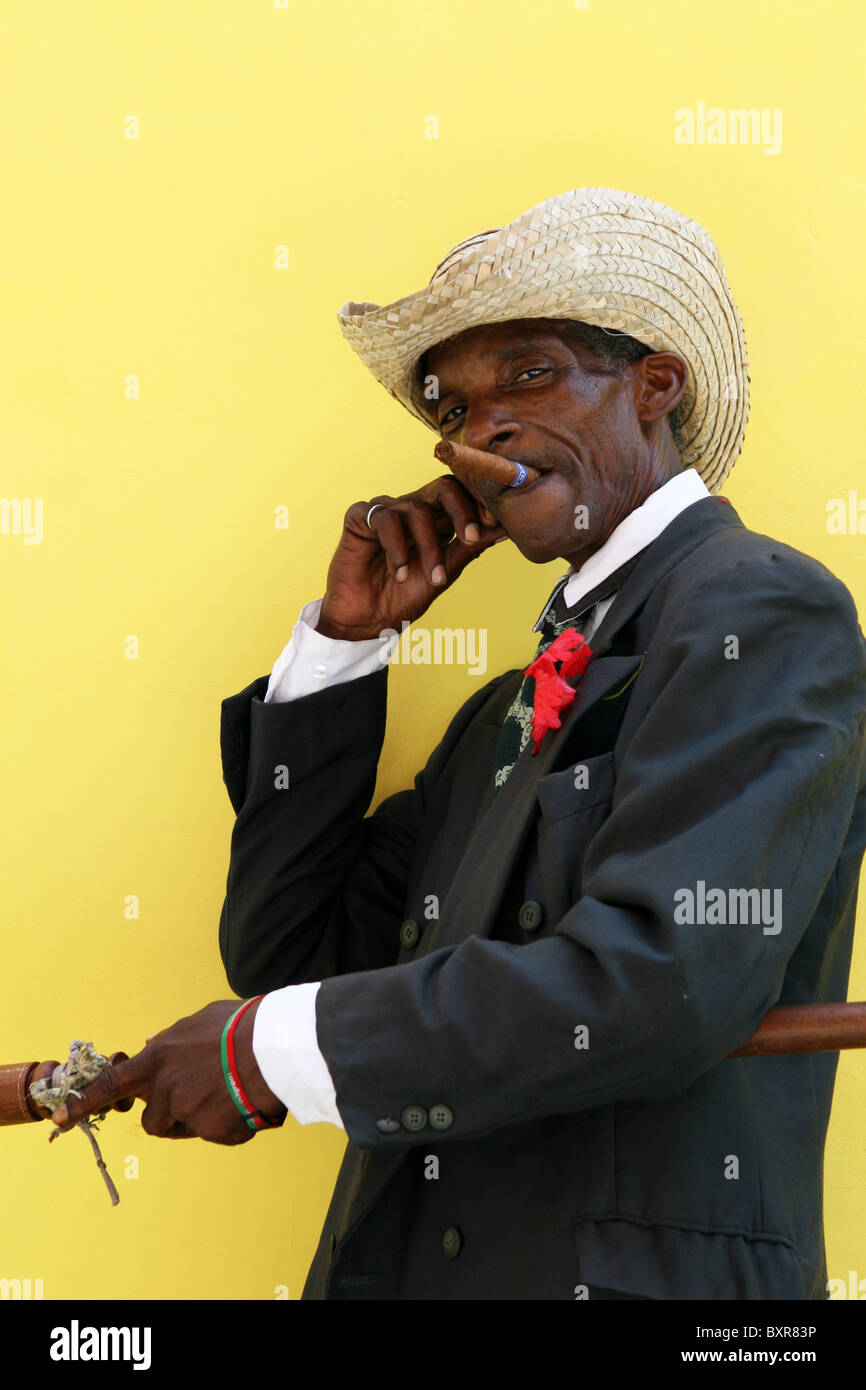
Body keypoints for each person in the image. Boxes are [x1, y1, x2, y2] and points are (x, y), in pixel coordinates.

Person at [56, 188, 866, 1300]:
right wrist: (342, 648)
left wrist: (267, 1051)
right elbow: (292, 961)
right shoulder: (498, 716)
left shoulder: (758, 609)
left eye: (527, 376)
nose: (480, 428)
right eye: (454, 403)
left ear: (652, 385)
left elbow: (658, 982)